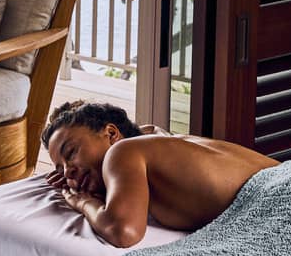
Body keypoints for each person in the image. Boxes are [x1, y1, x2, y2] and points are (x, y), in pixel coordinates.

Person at [43, 101, 278, 248]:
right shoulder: (155, 145)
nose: (68, 171)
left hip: (285, 196)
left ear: (111, 133)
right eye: (60, 169)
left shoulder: (122, 151)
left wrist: (82, 202)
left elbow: (123, 232)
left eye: (71, 152)